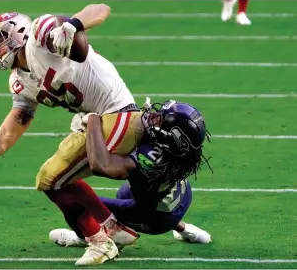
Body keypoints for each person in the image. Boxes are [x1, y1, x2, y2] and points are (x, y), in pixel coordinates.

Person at [0, 4, 148, 266]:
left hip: (119, 114)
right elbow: (8, 132)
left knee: (54, 178)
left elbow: (102, 8)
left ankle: (101, 241)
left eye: (0, 40)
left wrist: (73, 25)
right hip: (94, 122)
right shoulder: (20, 80)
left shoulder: (41, 35)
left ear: (17, 32)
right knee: (49, 178)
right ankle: (111, 229)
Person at [50, 100, 212, 248]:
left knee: (76, 201)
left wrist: (93, 121)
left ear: (175, 137)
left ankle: (85, 236)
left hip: (157, 219)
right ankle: (184, 229)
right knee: (124, 193)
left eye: (160, 119)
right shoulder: (179, 151)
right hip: (180, 199)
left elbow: (101, 166)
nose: (153, 117)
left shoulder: (150, 158)